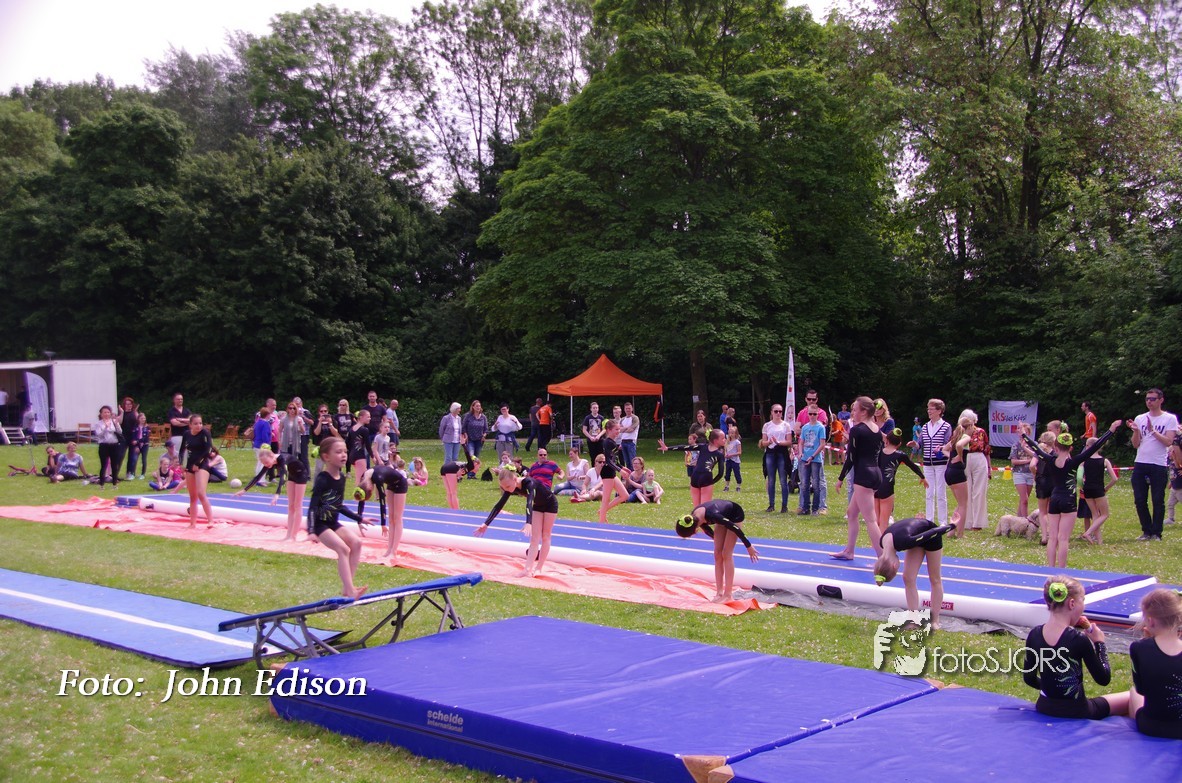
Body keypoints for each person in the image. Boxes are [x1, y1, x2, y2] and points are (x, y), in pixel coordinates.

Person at [1022, 577, 1125, 720]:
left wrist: (1053, 690)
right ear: (1072, 603)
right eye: (1082, 600)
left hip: (1045, 706)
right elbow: (1103, 679)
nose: (1083, 607)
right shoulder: (1078, 639)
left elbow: (1029, 678)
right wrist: (1099, 643)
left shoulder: (1034, 635)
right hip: (1078, 711)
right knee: (1130, 697)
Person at [1021, 419, 1121, 567]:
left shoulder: (1049, 459)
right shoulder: (1074, 462)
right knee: (1063, 539)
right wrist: (1111, 430)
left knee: (1053, 538)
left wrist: (1024, 435)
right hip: (1068, 499)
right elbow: (1096, 446)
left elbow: (1036, 448)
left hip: (1055, 498)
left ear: (1055, 447)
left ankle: (1051, 568)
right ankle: (1061, 570)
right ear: (1071, 448)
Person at [306, 437, 367, 599]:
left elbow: (338, 505)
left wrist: (359, 518)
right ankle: (351, 590)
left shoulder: (341, 477)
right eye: (338, 452)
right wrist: (311, 530)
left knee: (356, 543)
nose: (344, 455)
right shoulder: (322, 479)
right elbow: (312, 506)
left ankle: (348, 588)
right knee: (343, 549)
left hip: (333, 522)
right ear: (326, 457)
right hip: (320, 524)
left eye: (345, 451)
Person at [474, 467, 559, 578]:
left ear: (515, 479)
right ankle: (527, 569)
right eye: (504, 487)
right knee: (534, 539)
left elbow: (529, 502)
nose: (507, 490)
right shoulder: (510, 487)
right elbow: (499, 505)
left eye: (508, 486)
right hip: (537, 506)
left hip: (550, 504)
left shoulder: (529, 483)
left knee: (545, 536)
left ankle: (539, 568)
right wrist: (486, 523)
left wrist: (528, 522)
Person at [1123, 588, 1182, 739]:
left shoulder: (1139, 648)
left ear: (1150, 620)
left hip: (1151, 726)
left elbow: (1141, 689)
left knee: (1132, 691)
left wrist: (1147, 641)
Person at [874, 517, 953, 628]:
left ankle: (935, 620)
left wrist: (952, 525)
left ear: (894, 565)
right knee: (908, 578)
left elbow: (934, 532)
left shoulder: (905, 541)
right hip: (915, 537)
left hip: (931, 534)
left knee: (935, 578)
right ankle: (913, 620)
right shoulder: (883, 542)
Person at [675, 499, 760, 602]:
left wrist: (749, 546)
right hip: (723, 516)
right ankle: (719, 593)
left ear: (694, 529)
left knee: (726, 553)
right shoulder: (693, 519)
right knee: (717, 554)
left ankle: (728, 594)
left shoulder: (713, 515)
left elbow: (735, 528)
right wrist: (718, 542)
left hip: (734, 515)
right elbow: (708, 530)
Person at [834, 397, 884, 559]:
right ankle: (849, 550)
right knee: (852, 513)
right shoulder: (876, 429)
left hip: (864, 475)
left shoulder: (857, 430)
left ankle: (883, 557)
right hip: (875, 473)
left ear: (864, 412)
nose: (852, 413)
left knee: (870, 519)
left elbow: (851, 458)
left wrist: (840, 478)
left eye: (855, 410)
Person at [1127, 389, 1179, 541]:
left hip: (1158, 464)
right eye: (1147, 399)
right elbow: (1135, 444)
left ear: (1161, 400)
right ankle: (1146, 531)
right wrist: (1136, 431)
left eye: (1152, 399)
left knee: (1157, 500)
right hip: (1140, 462)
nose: (1149, 402)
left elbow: (1168, 442)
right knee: (1139, 500)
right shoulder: (1140, 418)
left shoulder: (1169, 418)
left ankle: (1156, 533)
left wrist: (1153, 431)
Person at [237, 446, 310, 541]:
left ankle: (293, 536)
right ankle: (288, 535)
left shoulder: (282, 459)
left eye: (266, 462)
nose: (266, 465)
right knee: (291, 506)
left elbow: (283, 477)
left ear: (272, 457)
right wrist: (244, 490)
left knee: (297, 505)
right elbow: (257, 477)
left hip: (301, 474)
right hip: (292, 476)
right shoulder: (269, 462)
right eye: (264, 463)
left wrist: (277, 494)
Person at [908, 399, 951, 528]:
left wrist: (941, 448)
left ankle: (943, 522)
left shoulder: (946, 426)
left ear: (939, 411)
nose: (929, 411)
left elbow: (948, 444)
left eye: (931, 409)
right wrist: (914, 444)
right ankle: (929, 520)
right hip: (927, 463)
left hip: (941, 462)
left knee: (941, 492)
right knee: (929, 492)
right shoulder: (925, 426)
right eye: (928, 409)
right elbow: (920, 444)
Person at [659, 427, 726, 507]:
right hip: (706, 478)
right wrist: (711, 482)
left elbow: (685, 447)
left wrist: (668, 448)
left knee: (696, 508)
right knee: (704, 508)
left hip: (695, 476)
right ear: (715, 440)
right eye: (723, 438)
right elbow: (720, 473)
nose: (725, 440)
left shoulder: (702, 447)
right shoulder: (719, 454)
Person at [875, 429, 927, 526]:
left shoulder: (878, 452)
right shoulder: (900, 455)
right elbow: (913, 466)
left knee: (876, 521)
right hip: (887, 487)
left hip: (875, 485)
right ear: (899, 444)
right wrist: (922, 477)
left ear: (887, 440)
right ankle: (882, 536)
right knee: (884, 522)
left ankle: (874, 536)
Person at [358, 463, 408, 561]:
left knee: (397, 517)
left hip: (401, 483)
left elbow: (382, 501)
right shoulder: (363, 478)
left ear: (370, 487)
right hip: (391, 484)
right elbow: (361, 498)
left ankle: (394, 551)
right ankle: (389, 549)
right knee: (391, 519)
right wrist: (359, 520)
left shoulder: (378, 478)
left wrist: (383, 524)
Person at [1079, 437, 1120, 544]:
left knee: (1095, 515)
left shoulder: (1084, 460)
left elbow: (1079, 476)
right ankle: (1088, 532)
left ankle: (1099, 541)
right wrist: (1106, 488)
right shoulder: (1104, 461)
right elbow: (1114, 479)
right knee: (1105, 514)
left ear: (1087, 446)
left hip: (1087, 489)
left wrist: (1082, 485)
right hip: (1098, 489)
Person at [180, 413, 215, 529]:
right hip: (190, 465)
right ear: (190, 425)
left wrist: (198, 464)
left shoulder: (205, 433)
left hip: (202, 464)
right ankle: (192, 523)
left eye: (200, 423)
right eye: (195, 424)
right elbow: (182, 450)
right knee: (192, 496)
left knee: (201, 493)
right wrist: (181, 463)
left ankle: (210, 521)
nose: (199, 426)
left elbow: (208, 449)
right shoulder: (187, 434)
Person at [796, 391, 830, 513]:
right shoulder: (804, 422)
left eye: (814, 414)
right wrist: (800, 453)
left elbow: (822, 443)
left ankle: (819, 507)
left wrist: (813, 455)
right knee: (804, 483)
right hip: (804, 457)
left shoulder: (821, 422)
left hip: (816, 458)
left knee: (818, 483)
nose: (812, 416)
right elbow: (799, 437)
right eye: (810, 414)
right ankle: (804, 507)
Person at [961, 410, 991, 531]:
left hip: (979, 458)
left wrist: (989, 467)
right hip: (965, 458)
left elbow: (987, 450)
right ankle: (967, 521)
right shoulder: (959, 432)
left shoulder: (981, 432)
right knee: (966, 491)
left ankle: (978, 522)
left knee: (979, 491)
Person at [760, 404, 793, 513]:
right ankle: (771, 505)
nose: (778, 413)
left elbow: (789, 441)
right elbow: (763, 442)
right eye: (776, 411)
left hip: (782, 453)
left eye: (780, 411)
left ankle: (784, 506)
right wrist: (769, 442)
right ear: (771, 412)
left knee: (783, 480)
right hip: (770, 453)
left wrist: (779, 442)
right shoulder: (767, 425)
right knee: (771, 480)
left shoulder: (786, 425)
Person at [597, 419, 630, 523]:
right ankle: (601, 522)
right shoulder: (607, 442)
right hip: (607, 472)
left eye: (619, 429)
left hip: (612, 472)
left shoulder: (612, 442)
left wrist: (622, 467)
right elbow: (608, 461)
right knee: (606, 499)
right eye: (616, 429)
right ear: (609, 430)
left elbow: (614, 460)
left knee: (625, 495)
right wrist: (620, 470)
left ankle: (602, 511)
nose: (618, 431)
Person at [942, 417, 971, 537]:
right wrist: (960, 456)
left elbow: (944, 449)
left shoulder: (955, 437)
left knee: (960, 503)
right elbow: (959, 445)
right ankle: (960, 533)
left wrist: (951, 457)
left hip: (948, 472)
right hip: (957, 472)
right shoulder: (966, 437)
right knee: (963, 504)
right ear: (969, 427)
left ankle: (951, 531)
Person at [92, 404, 123, 488]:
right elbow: (99, 434)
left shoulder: (114, 421)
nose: (106, 414)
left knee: (114, 465)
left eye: (108, 412)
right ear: (101, 414)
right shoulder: (98, 424)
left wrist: (116, 425)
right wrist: (105, 428)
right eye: (104, 412)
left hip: (114, 445)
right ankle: (102, 484)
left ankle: (114, 484)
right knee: (104, 465)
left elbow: (120, 432)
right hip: (104, 445)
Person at [1010, 436, 1035, 520]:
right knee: (1024, 499)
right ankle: (1026, 521)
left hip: (1030, 474)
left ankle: (1018, 520)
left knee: (1023, 500)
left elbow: (1036, 456)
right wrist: (1028, 461)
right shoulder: (1016, 445)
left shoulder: (1034, 445)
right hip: (1019, 473)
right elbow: (1014, 461)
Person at [251, 406, 274, 486]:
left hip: (257, 444)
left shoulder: (258, 422)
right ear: (267, 415)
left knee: (260, 462)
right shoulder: (265, 423)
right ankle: (260, 480)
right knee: (262, 463)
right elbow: (265, 435)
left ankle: (260, 479)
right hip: (263, 445)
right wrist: (267, 444)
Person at [118, 397, 138, 480]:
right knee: (120, 455)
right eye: (127, 404)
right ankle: (115, 472)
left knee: (132, 456)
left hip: (133, 437)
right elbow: (119, 422)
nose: (128, 406)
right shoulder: (121, 413)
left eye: (130, 404)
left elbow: (139, 423)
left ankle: (130, 473)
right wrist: (122, 412)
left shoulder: (134, 413)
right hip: (123, 437)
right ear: (124, 405)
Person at [723, 423, 742, 492]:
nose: (731, 434)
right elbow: (725, 449)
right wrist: (725, 454)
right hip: (728, 460)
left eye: (732, 433)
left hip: (735, 460)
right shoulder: (727, 442)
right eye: (730, 433)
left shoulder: (737, 442)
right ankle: (727, 486)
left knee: (737, 473)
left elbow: (739, 452)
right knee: (727, 473)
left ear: (735, 434)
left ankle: (738, 486)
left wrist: (732, 455)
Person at [1169, 434, 1182, 527]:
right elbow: (1172, 474)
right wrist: (1170, 483)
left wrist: (1174, 457)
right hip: (1174, 488)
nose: (1169, 454)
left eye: (1171, 452)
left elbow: (1178, 468)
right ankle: (1170, 518)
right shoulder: (1171, 463)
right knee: (1170, 504)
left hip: (1180, 488)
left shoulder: (1177, 462)